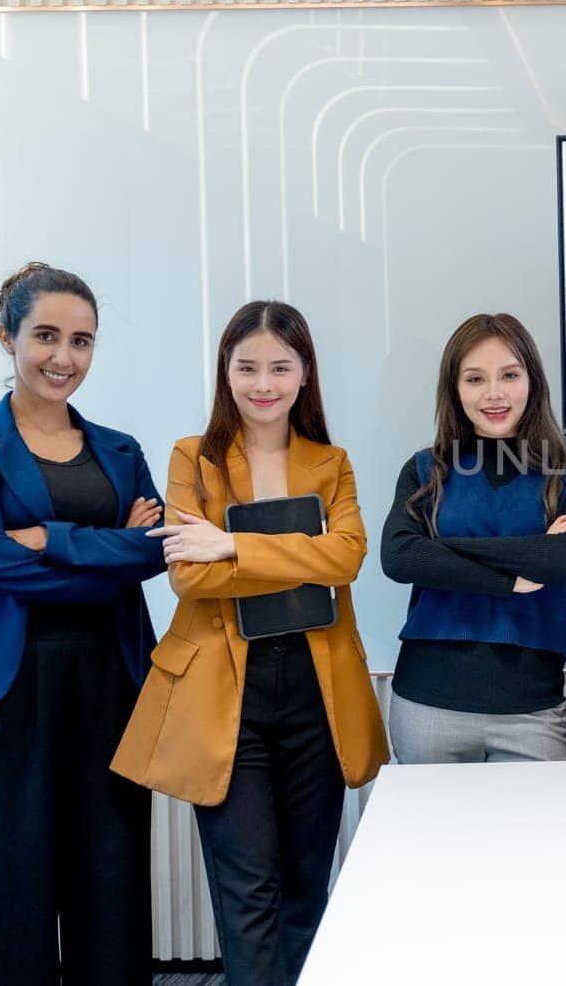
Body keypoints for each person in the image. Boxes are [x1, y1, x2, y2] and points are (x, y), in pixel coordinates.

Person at [112, 301, 389, 986]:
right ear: (225, 372)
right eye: (247, 367)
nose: (262, 382)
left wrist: (234, 540)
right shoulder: (193, 459)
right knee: (248, 898)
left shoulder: (332, 462)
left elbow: (348, 556)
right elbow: (190, 574)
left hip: (315, 692)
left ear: (303, 375)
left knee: (305, 891)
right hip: (224, 695)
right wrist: (299, 551)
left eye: (279, 367)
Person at [0, 262, 166, 985]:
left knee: (112, 896)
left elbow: (152, 555)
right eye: (47, 336)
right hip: (6, 694)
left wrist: (43, 536)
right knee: (6, 901)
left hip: (111, 691)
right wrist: (105, 546)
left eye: (82, 341)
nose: (65, 357)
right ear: (8, 336)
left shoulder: (120, 449)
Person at [380, 313, 566, 763]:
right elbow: (399, 558)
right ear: (455, 390)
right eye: (475, 378)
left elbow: (562, 560)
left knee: (536, 837)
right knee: (431, 837)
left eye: (510, 376)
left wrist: (440, 550)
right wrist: (511, 575)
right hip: (427, 704)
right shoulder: (426, 471)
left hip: (531, 710)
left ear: (532, 381)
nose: (494, 393)